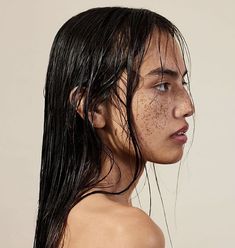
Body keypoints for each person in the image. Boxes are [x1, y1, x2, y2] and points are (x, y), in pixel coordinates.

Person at [33, 6, 194, 248]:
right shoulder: (127, 232)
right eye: (162, 85)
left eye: (182, 82)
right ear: (93, 107)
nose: (187, 106)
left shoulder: (68, 220)